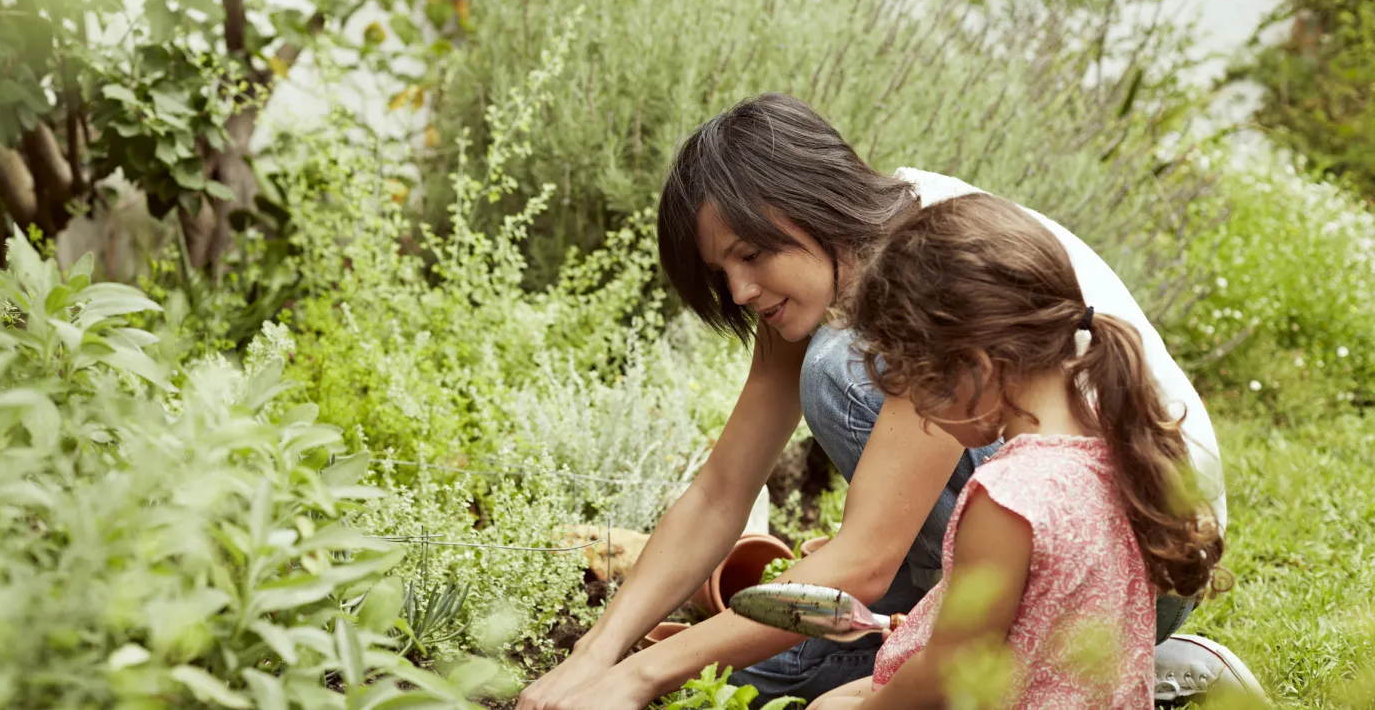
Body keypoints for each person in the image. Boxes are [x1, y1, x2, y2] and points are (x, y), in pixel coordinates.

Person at [512, 93, 1261, 710]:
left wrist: (639, 678)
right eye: (722, 270)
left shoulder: (928, 270)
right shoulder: (823, 263)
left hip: (1142, 566)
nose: (739, 291)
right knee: (761, 682)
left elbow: (864, 563)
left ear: (808, 204)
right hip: (1087, 539)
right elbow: (720, 490)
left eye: (750, 254)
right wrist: (598, 653)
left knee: (836, 371)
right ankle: (976, 641)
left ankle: (1139, 665)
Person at [802, 191, 1229, 708]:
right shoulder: (1120, 448)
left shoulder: (1007, 499)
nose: (920, 413)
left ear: (976, 369)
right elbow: (1045, 605)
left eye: (918, 387)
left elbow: (947, 675)